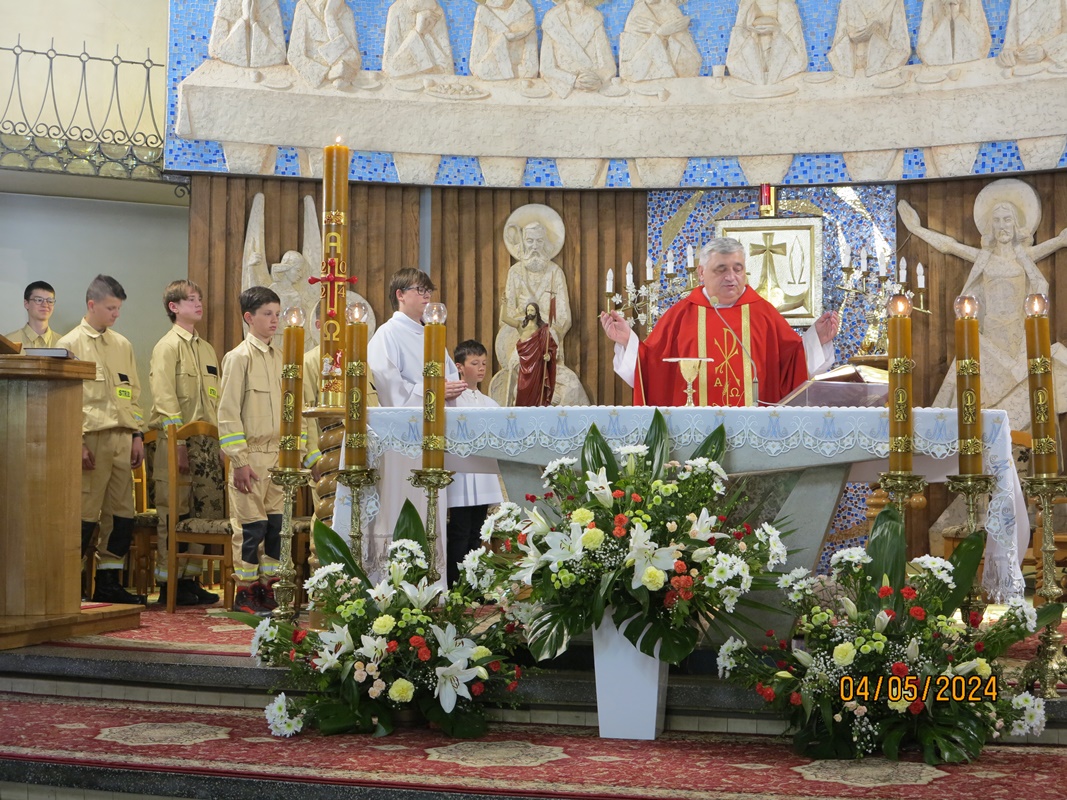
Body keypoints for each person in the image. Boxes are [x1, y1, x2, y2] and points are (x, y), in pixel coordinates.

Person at [600, 237, 838, 406]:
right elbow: (651, 367)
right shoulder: (681, 315)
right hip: (695, 431)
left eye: (737, 269)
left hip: (754, 428)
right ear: (701, 273)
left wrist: (816, 339)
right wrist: (627, 341)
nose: (731, 277)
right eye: (721, 269)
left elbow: (792, 366)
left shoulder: (763, 313)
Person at [367, 268, 466, 584]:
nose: (427, 297)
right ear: (400, 294)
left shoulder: (431, 335)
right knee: (401, 508)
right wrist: (433, 390)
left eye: (429, 291)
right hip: (401, 442)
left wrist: (449, 390)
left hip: (431, 437)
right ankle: (393, 584)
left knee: (431, 510)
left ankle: (433, 585)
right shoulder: (386, 335)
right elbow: (389, 389)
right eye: (420, 290)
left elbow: (449, 379)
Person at [57, 275, 146, 605]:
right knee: (83, 514)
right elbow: (65, 400)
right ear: (91, 304)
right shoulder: (69, 344)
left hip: (122, 439)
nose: (116, 314)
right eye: (111, 308)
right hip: (90, 441)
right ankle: (69, 583)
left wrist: (137, 434)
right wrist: (76, 442)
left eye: (118, 308)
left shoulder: (122, 345)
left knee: (122, 515)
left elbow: (133, 394)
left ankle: (108, 583)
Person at [218, 286, 301, 615]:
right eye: (268, 314)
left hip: (278, 457)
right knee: (251, 527)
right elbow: (227, 413)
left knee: (277, 527)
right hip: (250, 457)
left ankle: (269, 589)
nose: (275, 320)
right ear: (249, 317)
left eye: (277, 314)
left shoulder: (282, 358)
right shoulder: (238, 358)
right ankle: (246, 592)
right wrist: (238, 460)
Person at [148, 280, 224, 606]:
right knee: (174, 512)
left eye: (200, 298)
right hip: (175, 441)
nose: (198, 304)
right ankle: (169, 583)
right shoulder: (166, 347)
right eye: (191, 299)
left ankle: (191, 579)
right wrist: (177, 443)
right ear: (174, 307)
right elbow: (164, 397)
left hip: (206, 444)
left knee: (202, 510)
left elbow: (217, 399)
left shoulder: (206, 349)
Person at [445, 339, 504, 587]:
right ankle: (454, 584)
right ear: (459, 367)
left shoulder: (489, 403)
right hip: (460, 475)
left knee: (476, 532)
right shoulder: (451, 400)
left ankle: (472, 586)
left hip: (482, 476)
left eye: (484, 363)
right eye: (475, 363)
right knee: (459, 531)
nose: (481, 368)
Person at [540, 0, 617, 98]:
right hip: (564, 88)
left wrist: (598, 78)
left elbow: (609, 65)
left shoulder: (595, 17)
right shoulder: (552, 19)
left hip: (593, 88)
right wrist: (573, 80)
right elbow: (546, 68)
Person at [725, 0, 807, 85]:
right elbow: (733, 61)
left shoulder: (786, 5)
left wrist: (776, 32)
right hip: (754, 61)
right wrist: (753, 35)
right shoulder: (746, 4)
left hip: (781, 69)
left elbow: (800, 60)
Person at [619, 0, 701, 82]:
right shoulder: (637, 14)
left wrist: (667, 35)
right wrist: (660, 34)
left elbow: (692, 66)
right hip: (643, 82)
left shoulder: (672, 12)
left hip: (675, 84)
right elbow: (628, 71)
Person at [288, 0, 362, 90]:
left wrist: (330, 16)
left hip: (338, 84)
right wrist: (326, 73)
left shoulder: (345, 11)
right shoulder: (304, 7)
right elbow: (294, 55)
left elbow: (354, 61)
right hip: (311, 83)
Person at [827, 0, 910, 78]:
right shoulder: (848, 2)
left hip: (880, 65)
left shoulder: (894, 2)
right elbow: (839, 39)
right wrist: (855, 35)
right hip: (851, 69)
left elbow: (900, 45)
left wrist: (877, 30)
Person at [382, 0, 454, 78]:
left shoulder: (435, 10)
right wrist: (418, 31)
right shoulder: (396, 9)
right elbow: (390, 69)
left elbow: (447, 68)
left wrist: (425, 33)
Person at [469, 0, 538, 81]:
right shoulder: (483, 12)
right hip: (489, 74)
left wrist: (525, 71)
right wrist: (504, 38)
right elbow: (476, 64)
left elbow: (531, 64)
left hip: (520, 76)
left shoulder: (524, 9)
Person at [514, 302, 557, 407]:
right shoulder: (522, 327)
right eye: (528, 310)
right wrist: (504, 305)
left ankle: (538, 410)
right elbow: (504, 319)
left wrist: (549, 356)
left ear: (536, 312)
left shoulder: (543, 330)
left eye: (532, 310)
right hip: (524, 367)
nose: (529, 312)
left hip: (537, 366)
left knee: (537, 391)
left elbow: (552, 347)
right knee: (522, 389)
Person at [5, 281, 62, 349]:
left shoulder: (63, 344)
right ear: (26, 304)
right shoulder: (8, 343)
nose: (45, 305)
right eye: (39, 300)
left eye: (50, 301)